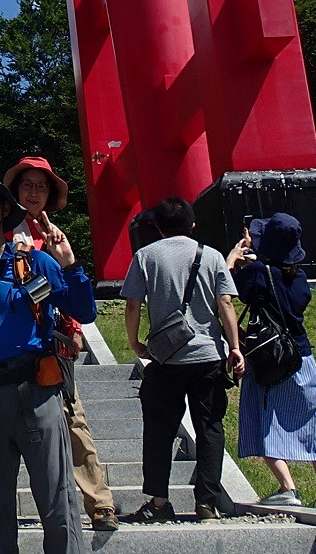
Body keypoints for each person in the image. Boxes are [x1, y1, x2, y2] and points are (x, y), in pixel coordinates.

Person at [0, 173, 96, 554]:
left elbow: (85, 311)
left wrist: (70, 265)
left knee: (58, 502)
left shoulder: (36, 262)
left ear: (5, 209)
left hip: (38, 393)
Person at [2, 157, 118, 533]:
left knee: (73, 420)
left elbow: (70, 294)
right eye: (27, 185)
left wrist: (74, 327)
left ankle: (99, 502)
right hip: (7, 344)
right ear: (15, 191)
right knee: (0, 424)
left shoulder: (55, 237)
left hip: (52, 345)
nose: (33, 193)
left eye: (41, 186)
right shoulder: (0, 233)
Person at [120, 196, 245, 525]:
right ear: (192, 224)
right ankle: (207, 502)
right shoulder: (212, 256)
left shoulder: (145, 256)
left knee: (159, 431)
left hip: (166, 360)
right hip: (208, 356)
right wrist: (234, 347)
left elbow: (132, 304)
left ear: (157, 226)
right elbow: (226, 303)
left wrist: (135, 342)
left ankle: (160, 502)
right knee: (210, 428)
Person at [228, 213, 316, 511]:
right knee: (315, 424)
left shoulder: (258, 273)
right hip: (302, 357)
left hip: (270, 358)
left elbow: (225, 289)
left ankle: (287, 486)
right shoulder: (298, 277)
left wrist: (235, 256)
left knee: (263, 420)